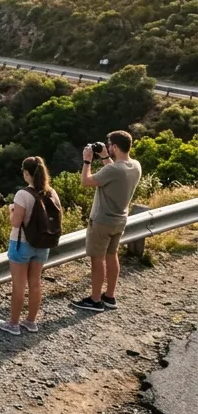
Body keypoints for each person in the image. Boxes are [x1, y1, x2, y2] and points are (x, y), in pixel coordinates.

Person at [72, 130, 142, 312]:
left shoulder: (113, 169)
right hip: (120, 220)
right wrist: (104, 156)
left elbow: (86, 181)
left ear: (115, 147)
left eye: (110, 145)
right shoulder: (134, 166)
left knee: (97, 259)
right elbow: (115, 171)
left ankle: (95, 300)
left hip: (102, 220)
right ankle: (109, 296)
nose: (108, 147)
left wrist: (87, 160)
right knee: (112, 255)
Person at [0, 156, 61, 335]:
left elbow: (16, 223)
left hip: (22, 244)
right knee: (35, 283)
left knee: (19, 285)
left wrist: (11, 211)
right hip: (43, 244)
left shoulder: (22, 194)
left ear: (26, 173)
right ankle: (31, 322)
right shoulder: (52, 193)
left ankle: (13, 324)